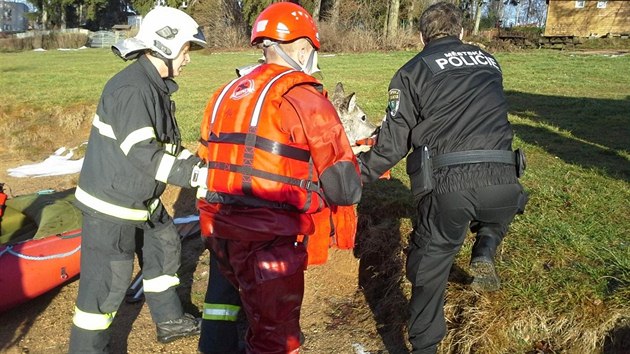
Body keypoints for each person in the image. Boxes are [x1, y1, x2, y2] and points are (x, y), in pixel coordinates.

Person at [357, 2, 528, 353]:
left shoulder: (412, 71)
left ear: (422, 36)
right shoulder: (490, 63)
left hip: (450, 187)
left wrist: (356, 173)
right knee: (494, 211)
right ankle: (486, 246)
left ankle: (425, 347)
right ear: (462, 32)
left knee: (428, 269)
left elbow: (393, 144)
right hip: (506, 181)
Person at [195, 2, 362, 353]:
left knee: (245, 313)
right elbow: (344, 187)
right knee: (276, 337)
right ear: (302, 46)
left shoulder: (224, 94)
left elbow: (213, 157)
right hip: (269, 239)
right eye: (311, 49)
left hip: (220, 230)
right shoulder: (304, 96)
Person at [68, 6, 209, 352]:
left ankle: (170, 320)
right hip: (111, 205)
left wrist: (203, 165)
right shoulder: (133, 90)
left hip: (141, 199)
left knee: (163, 248)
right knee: (104, 289)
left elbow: (166, 145)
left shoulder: (153, 86)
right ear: (167, 46)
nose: (189, 59)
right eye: (187, 50)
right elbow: (144, 152)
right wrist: (194, 175)